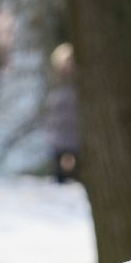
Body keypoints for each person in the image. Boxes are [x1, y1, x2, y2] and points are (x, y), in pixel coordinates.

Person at [44, 43, 80, 183]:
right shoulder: (54, 84)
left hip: (74, 139)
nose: (67, 66)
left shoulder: (77, 86)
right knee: (61, 177)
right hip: (59, 139)